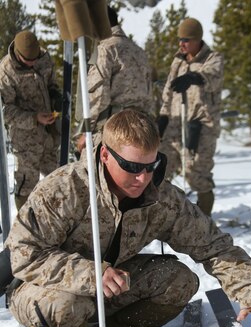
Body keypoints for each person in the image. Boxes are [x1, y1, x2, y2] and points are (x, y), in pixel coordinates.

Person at [5, 109, 251, 327]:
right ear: (106, 155)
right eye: (131, 167)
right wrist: (91, 273)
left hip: (110, 286)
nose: (143, 178)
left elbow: (214, 246)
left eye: (151, 165)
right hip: (45, 288)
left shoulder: (162, 197)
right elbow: (24, 255)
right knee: (67, 305)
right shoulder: (65, 189)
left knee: (179, 280)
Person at [158, 17, 224, 216]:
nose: (182, 44)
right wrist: (162, 118)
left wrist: (195, 77)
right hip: (175, 126)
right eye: (180, 39)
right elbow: (168, 92)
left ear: (197, 39)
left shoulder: (213, 58)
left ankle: (204, 221)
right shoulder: (178, 60)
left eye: (186, 40)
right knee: (161, 171)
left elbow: (212, 77)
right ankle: (163, 216)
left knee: (197, 174)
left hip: (201, 126)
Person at [75, 5, 154, 154]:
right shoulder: (139, 52)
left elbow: (98, 96)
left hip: (113, 130)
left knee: (95, 173)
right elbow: (149, 97)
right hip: (141, 128)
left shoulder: (106, 49)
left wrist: (86, 131)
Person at [0, 30, 62, 211]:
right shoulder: (5, 73)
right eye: (29, 61)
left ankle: (56, 220)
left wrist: (56, 96)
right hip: (25, 140)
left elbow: (52, 82)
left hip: (49, 135)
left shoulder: (42, 57)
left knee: (57, 180)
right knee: (26, 183)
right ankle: (26, 225)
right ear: (18, 55)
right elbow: (6, 111)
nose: (33, 63)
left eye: (35, 59)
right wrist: (34, 118)